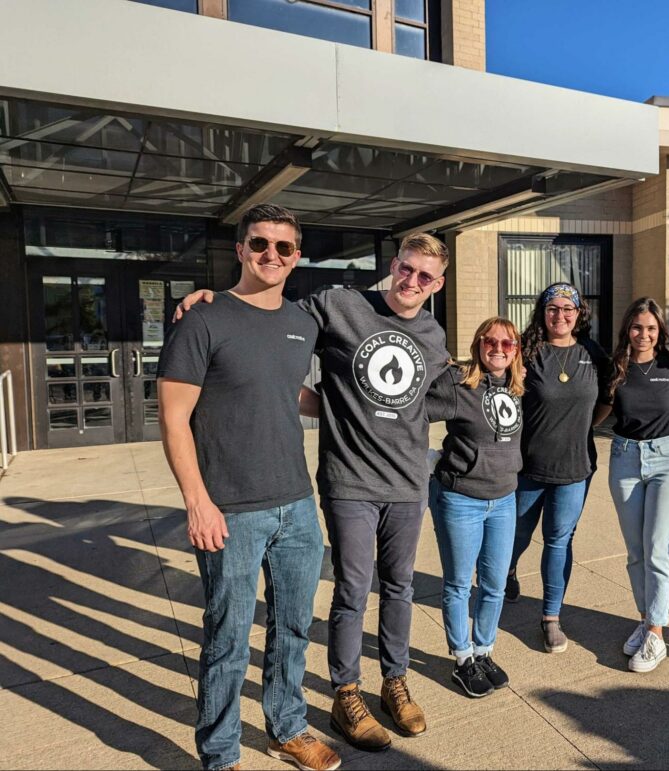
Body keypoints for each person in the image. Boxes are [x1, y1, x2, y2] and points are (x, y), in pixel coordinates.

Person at [176, 232, 450, 752]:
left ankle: (395, 680)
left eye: (426, 276)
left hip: (408, 483)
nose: (413, 282)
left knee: (400, 587)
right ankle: (347, 693)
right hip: (351, 481)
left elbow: (435, 397)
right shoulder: (340, 304)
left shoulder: (434, 335)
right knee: (351, 590)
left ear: (438, 284)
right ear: (395, 266)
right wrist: (213, 299)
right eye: (407, 269)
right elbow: (266, 314)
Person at [158, 203, 340, 771]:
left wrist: (355, 405)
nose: (271, 255)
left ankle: (288, 726)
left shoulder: (302, 324)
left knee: (293, 628)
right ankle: (220, 753)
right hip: (229, 510)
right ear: (240, 249)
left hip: (297, 505)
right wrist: (198, 502)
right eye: (259, 244)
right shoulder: (204, 318)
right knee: (227, 638)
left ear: (297, 257)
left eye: (284, 248)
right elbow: (172, 416)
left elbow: (287, 392)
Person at [505, 282, 612, 654]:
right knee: (516, 534)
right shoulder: (526, 351)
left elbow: (606, 402)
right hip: (528, 466)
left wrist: (581, 428)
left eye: (569, 309)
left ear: (580, 313)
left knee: (558, 539)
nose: (561, 315)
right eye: (553, 308)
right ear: (542, 312)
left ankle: (551, 617)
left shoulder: (593, 353)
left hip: (575, 468)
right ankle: (509, 570)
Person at [426, 317, 525, 697]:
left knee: (495, 585)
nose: (498, 349)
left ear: (515, 350)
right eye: (490, 342)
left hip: (504, 500)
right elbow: (412, 409)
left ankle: (484, 649)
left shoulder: (517, 387)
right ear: (478, 344)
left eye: (507, 344)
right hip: (462, 499)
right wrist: (427, 457)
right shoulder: (458, 383)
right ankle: (462, 658)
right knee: (457, 584)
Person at [602, 297, 669, 673]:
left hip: (667, 459)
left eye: (651, 328)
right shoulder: (616, 368)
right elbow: (598, 412)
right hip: (624, 458)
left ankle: (657, 632)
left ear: (660, 331)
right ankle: (645, 618)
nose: (644, 334)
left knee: (657, 547)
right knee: (635, 550)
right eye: (637, 327)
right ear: (628, 330)